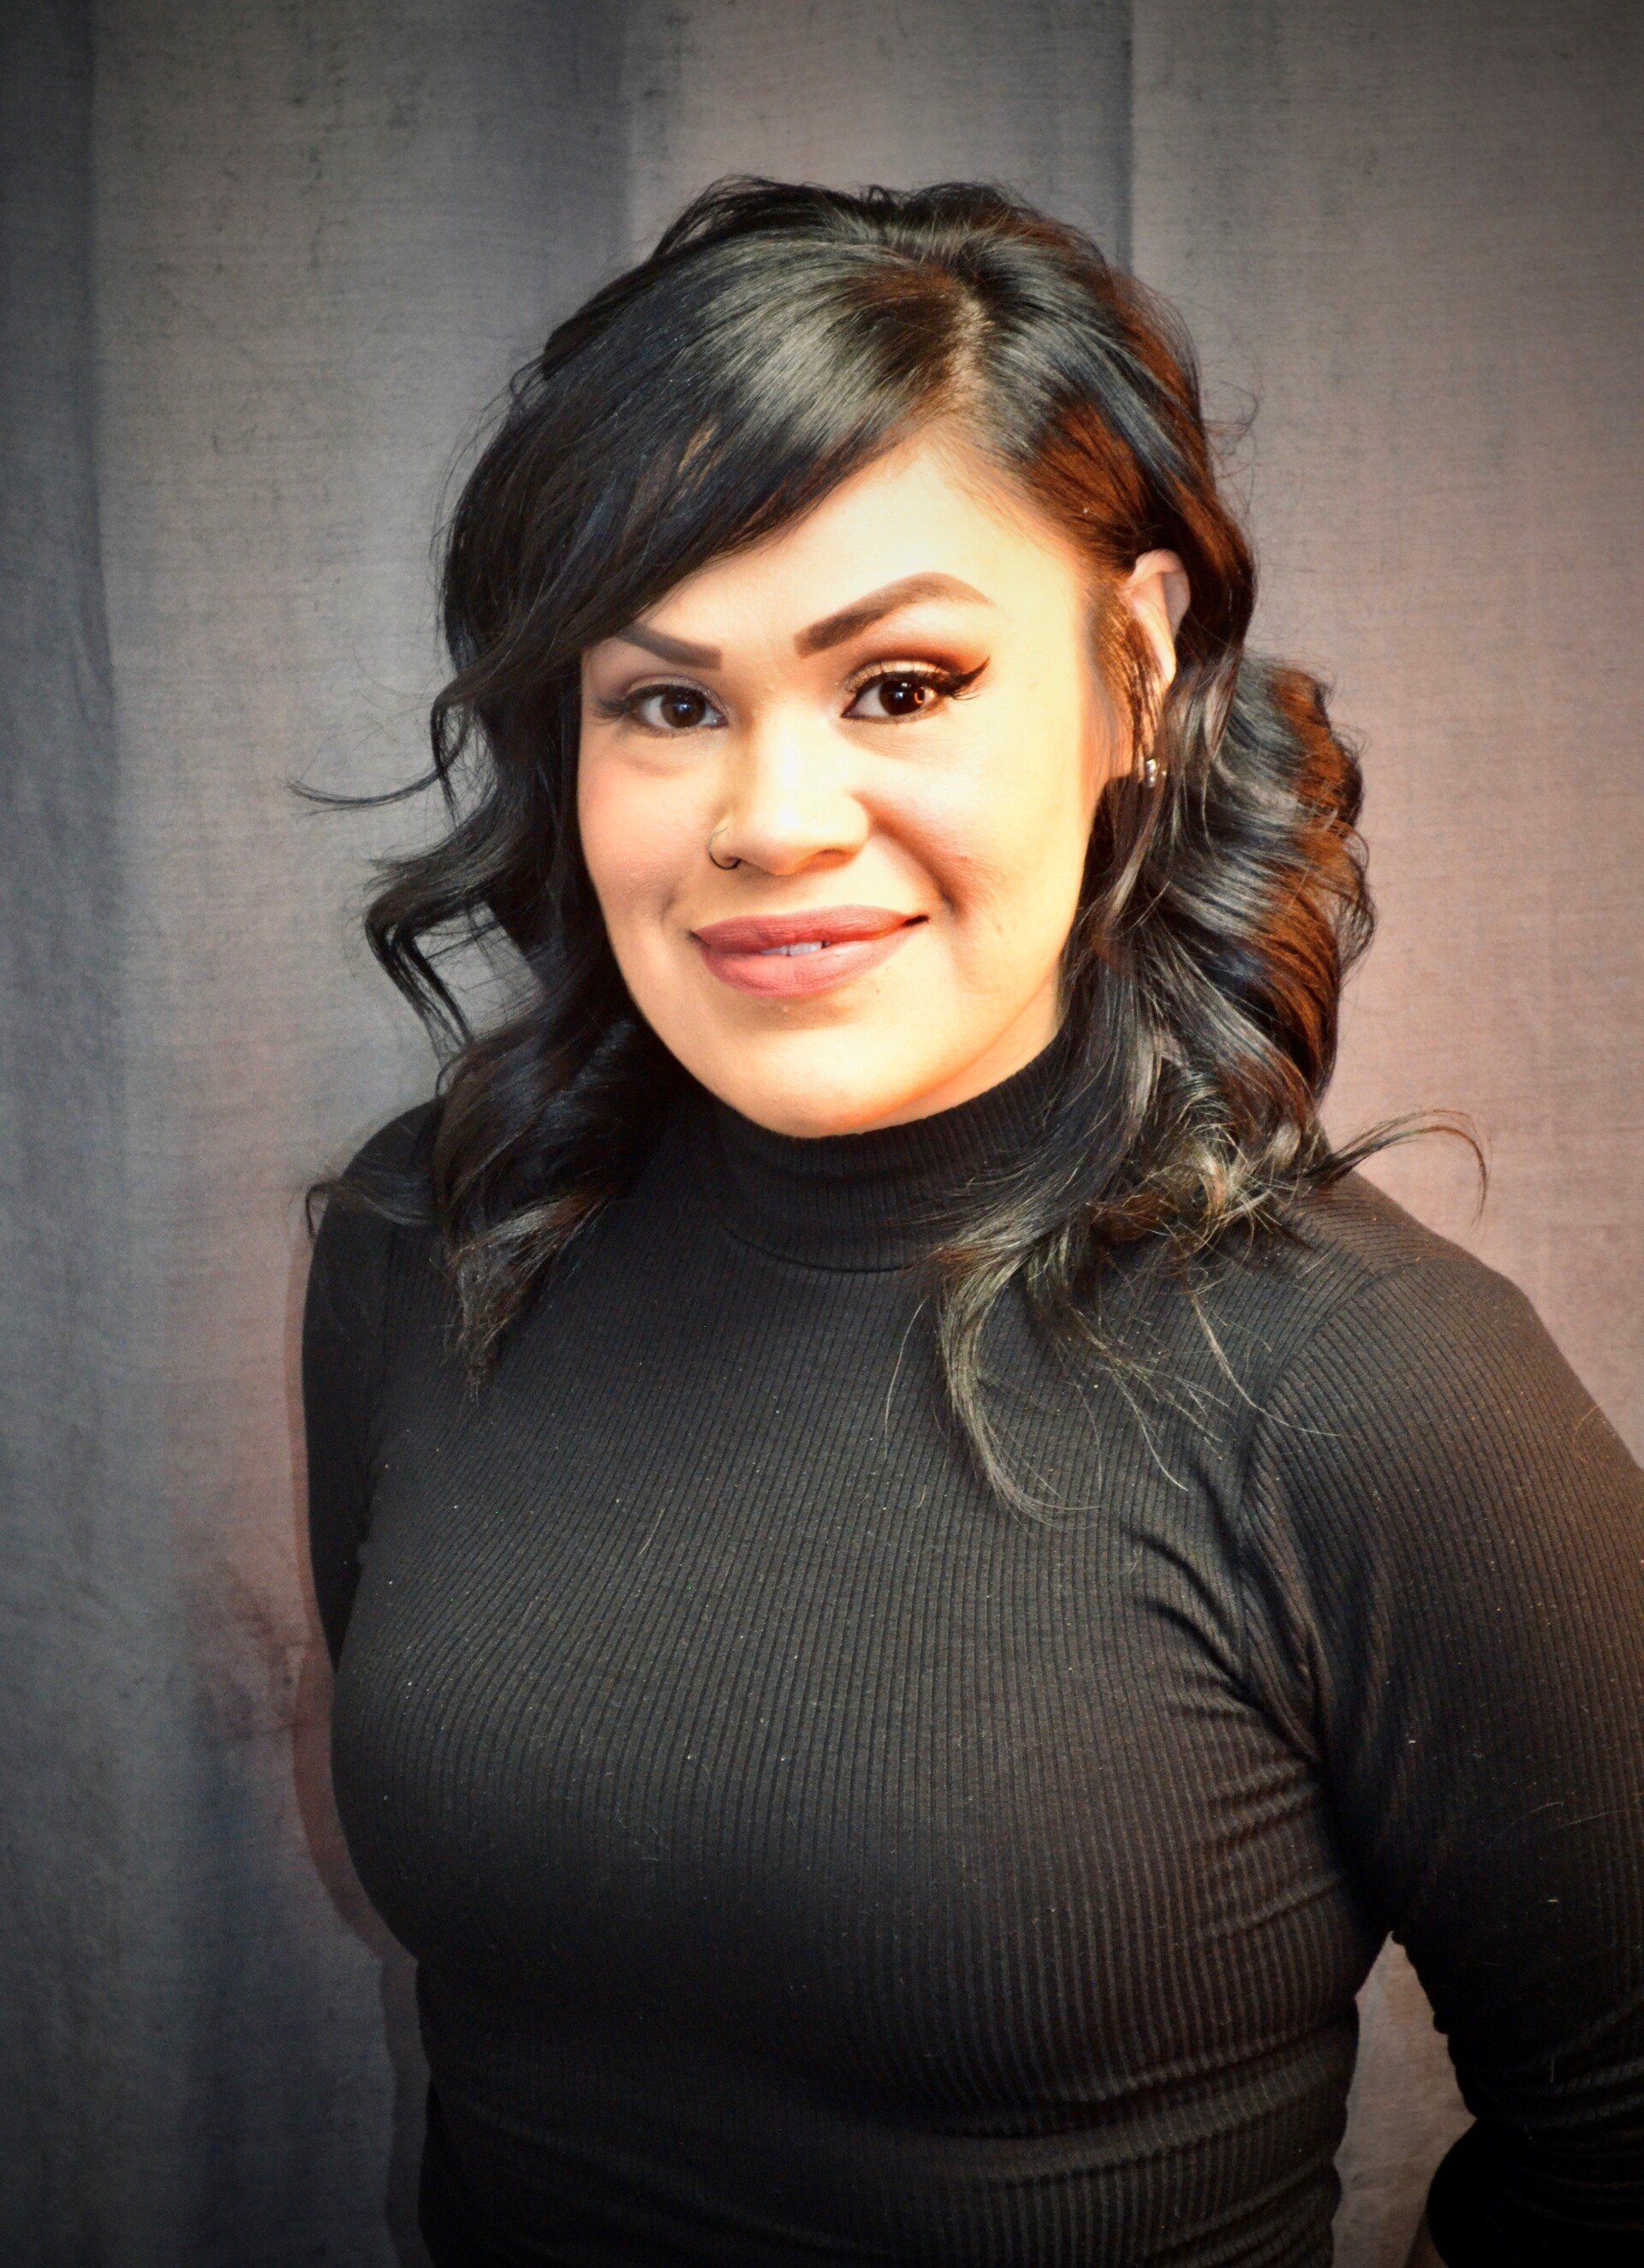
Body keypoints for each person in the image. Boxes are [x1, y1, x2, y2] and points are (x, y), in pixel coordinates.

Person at [300, 176, 1644, 2267]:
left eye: (903, 682)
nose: (772, 819)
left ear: (1137, 668)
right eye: (668, 699)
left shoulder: (1376, 1391)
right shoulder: (432, 1241)